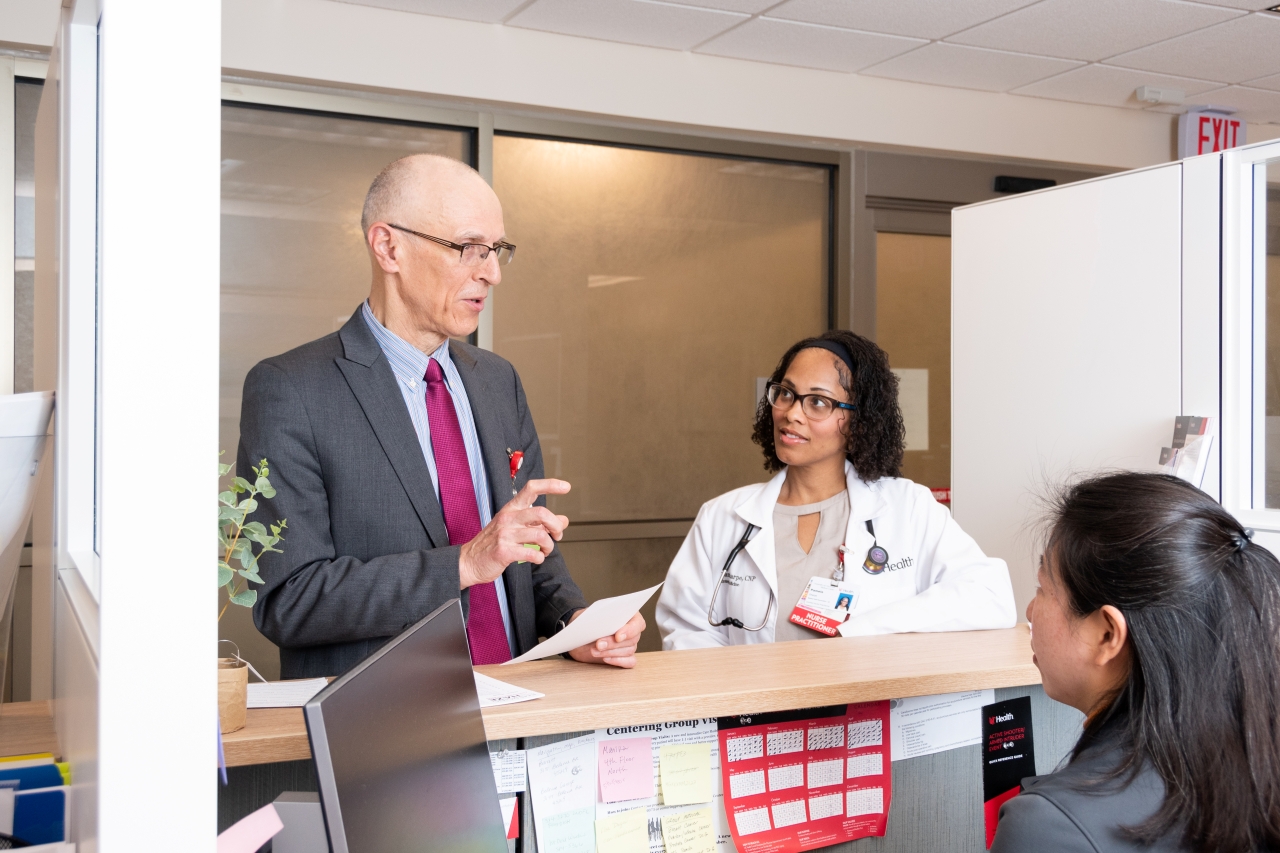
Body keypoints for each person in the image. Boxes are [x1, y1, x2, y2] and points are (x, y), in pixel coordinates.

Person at [238, 154, 644, 678]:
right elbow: (289, 600)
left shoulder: (498, 382)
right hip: (385, 728)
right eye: (468, 249)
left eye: (497, 251)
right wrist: (463, 565)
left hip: (519, 706)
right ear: (389, 247)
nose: (492, 273)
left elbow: (521, 548)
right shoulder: (293, 389)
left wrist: (576, 622)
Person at [656, 331, 1015, 648]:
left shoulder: (908, 508)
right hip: (755, 717)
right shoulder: (723, 516)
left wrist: (860, 632)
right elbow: (687, 629)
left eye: (817, 402)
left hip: (866, 716)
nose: (792, 413)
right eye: (786, 394)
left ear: (859, 420)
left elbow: (989, 596)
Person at [991, 472, 1280, 852]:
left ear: (1108, 634)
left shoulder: (1049, 827)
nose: (1030, 610)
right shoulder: (1259, 766)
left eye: (1043, 589)